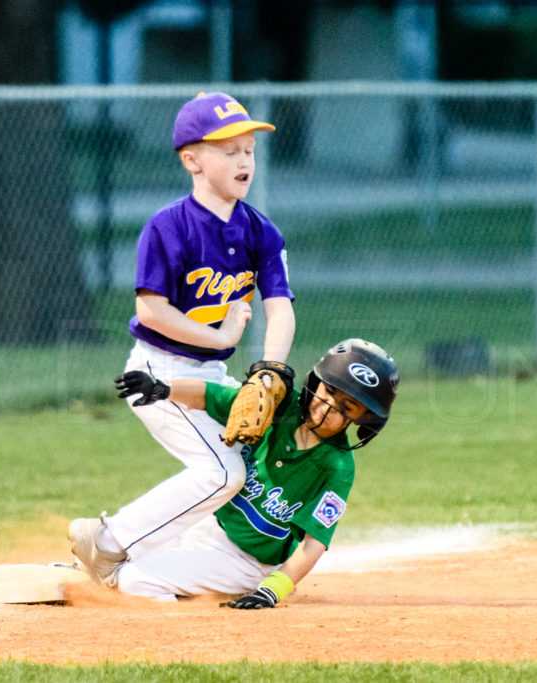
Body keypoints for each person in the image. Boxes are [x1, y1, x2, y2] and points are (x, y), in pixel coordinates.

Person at [68, 91, 296, 587]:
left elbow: (280, 308)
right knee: (223, 473)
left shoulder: (261, 232)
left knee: (244, 469)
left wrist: (270, 372)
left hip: (209, 375)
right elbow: (151, 310)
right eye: (227, 149)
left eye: (249, 150)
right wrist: (222, 339)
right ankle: (108, 543)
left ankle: (174, 557)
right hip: (157, 373)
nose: (243, 159)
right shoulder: (168, 227)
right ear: (191, 160)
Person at [83, 339, 398, 609]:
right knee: (114, 555)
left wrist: (273, 588)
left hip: (246, 562)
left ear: (365, 420)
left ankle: (187, 619)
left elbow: (315, 542)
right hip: (205, 525)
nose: (329, 407)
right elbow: (211, 395)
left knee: (132, 580)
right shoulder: (279, 404)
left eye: (349, 406)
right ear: (316, 382)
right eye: (329, 391)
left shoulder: (337, 466)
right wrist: (165, 389)